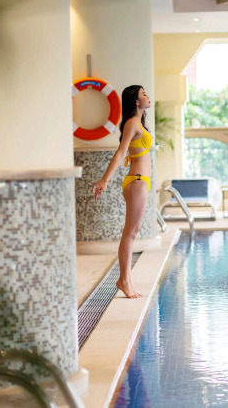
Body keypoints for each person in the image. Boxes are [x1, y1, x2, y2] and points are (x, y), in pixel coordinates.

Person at [92, 85, 152, 299]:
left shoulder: (138, 122)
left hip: (140, 181)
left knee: (132, 233)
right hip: (136, 182)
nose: (147, 96)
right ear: (136, 101)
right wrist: (105, 179)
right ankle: (124, 281)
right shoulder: (132, 123)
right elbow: (121, 152)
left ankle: (126, 280)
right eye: (143, 94)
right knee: (130, 234)